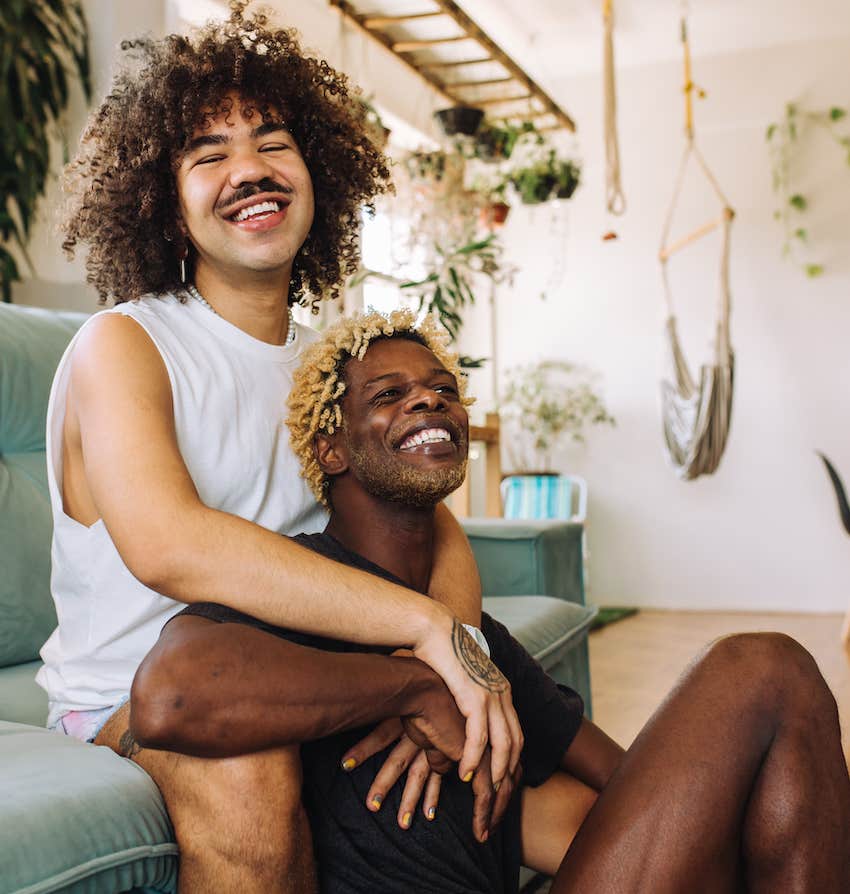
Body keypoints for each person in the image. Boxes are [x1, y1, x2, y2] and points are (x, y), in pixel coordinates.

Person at [41, 5, 521, 892]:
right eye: (208, 154)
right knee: (249, 768)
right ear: (164, 198)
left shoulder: (329, 362)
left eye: (273, 142)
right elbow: (169, 545)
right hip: (137, 695)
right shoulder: (124, 346)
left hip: (303, 669)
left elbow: (432, 521)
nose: (249, 170)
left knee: (525, 780)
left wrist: (454, 651)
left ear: (317, 171)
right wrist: (420, 632)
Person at [129, 309, 850, 893]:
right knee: (764, 664)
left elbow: (637, 789)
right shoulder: (306, 594)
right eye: (388, 395)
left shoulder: (474, 644)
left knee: (777, 690)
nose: (429, 399)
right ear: (332, 450)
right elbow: (170, 698)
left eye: (444, 388)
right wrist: (412, 688)